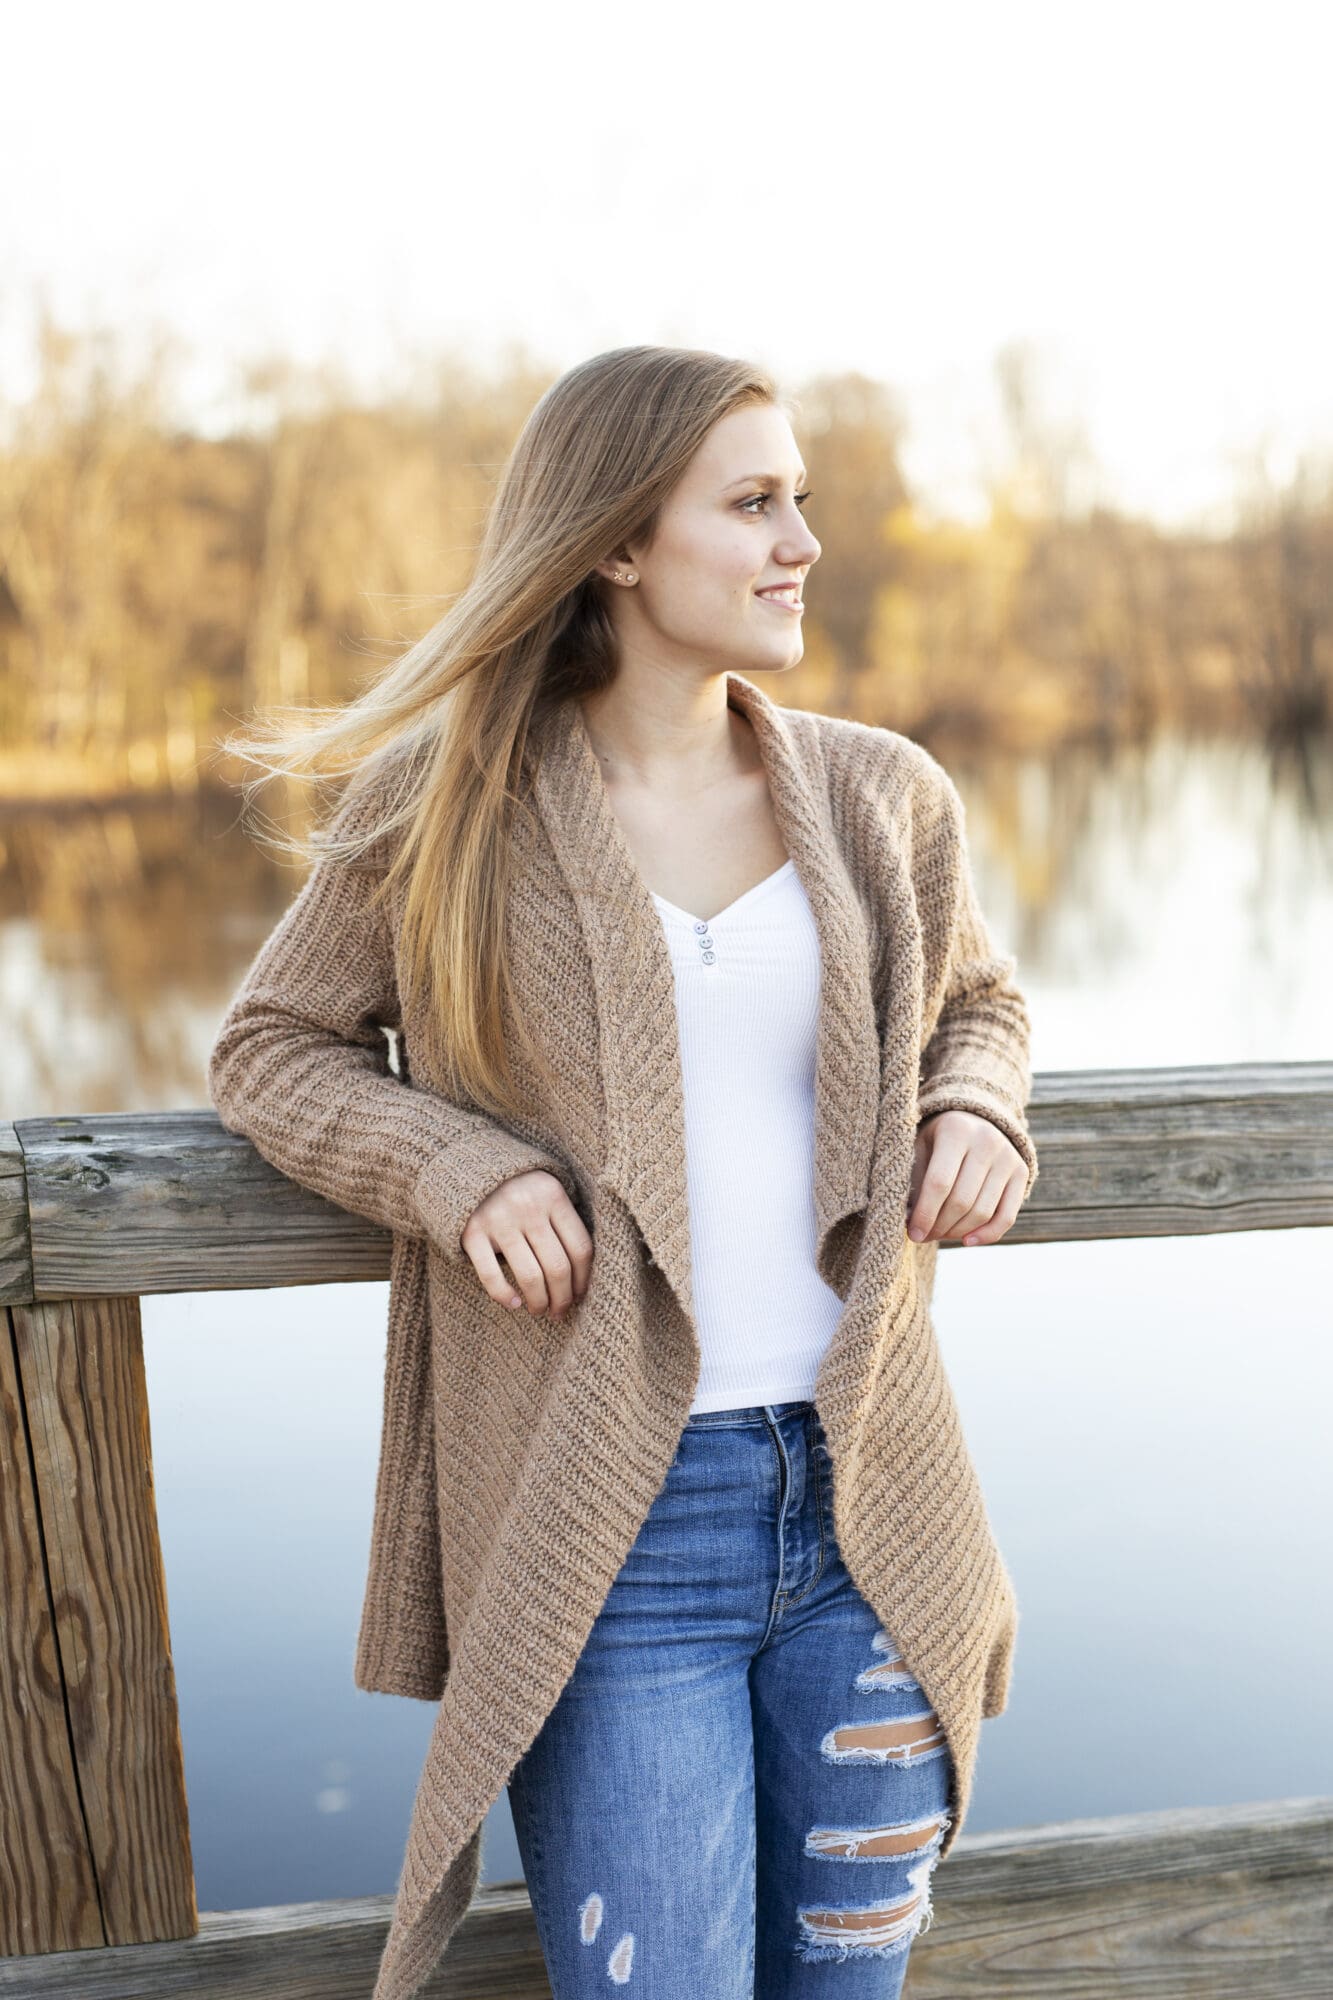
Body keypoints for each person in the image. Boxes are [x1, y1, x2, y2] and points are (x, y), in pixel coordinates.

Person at [207, 345, 1039, 2000]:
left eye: (799, 498)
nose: (800, 538)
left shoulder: (881, 797)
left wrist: (977, 1105)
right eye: (751, 503)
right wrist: (456, 1169)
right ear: (611, 542)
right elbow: (267, 1050)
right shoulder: (442, 814)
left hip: (865, 1494)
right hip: (614, 1527)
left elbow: (981, 1003)